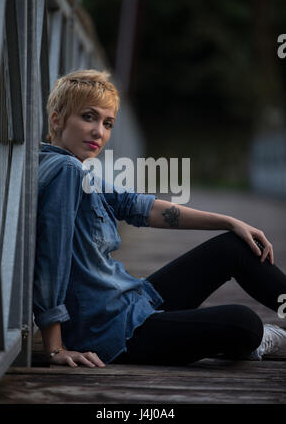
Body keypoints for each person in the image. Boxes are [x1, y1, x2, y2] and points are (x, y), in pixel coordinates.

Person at [33, 69, 286, 369]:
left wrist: (229, 221)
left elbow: (137, 205)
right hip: (110, 333)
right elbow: (51, 261)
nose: (99, 132)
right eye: (88, 117)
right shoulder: (67, 172)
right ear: (56, 119)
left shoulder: (77, 169)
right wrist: (55, 349)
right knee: (245, 324)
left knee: (236, 246)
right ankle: (252, 342)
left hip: (128, 304)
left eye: (108, 123)